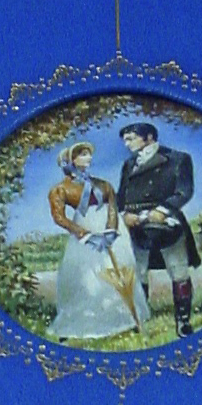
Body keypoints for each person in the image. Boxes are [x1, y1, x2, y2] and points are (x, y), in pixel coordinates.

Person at [46, 142, 150, 340]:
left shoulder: (103, 184)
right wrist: (84, 234)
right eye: (83, 154)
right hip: (85, 230)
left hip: (111, 229)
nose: (89, 158)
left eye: (89, 154)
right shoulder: (60, 189)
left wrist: (111, 231)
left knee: (120, 268)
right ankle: (81, 321)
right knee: (86, 275)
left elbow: (112, 206)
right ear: (72, 160)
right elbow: (59, 217)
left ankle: (127, 318)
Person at [117, 122, 201, 336]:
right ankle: (139, 319)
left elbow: (184, 191)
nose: (127, 144)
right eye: (125, 140)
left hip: (167, 222)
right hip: (136, 226)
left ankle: (183, 321)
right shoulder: (128, 164)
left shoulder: (178, 158)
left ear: (149, 137)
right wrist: (124, 214)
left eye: (131, 138)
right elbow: (121, 196)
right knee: (138, 272)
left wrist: (162, 211)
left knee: (178, 271)